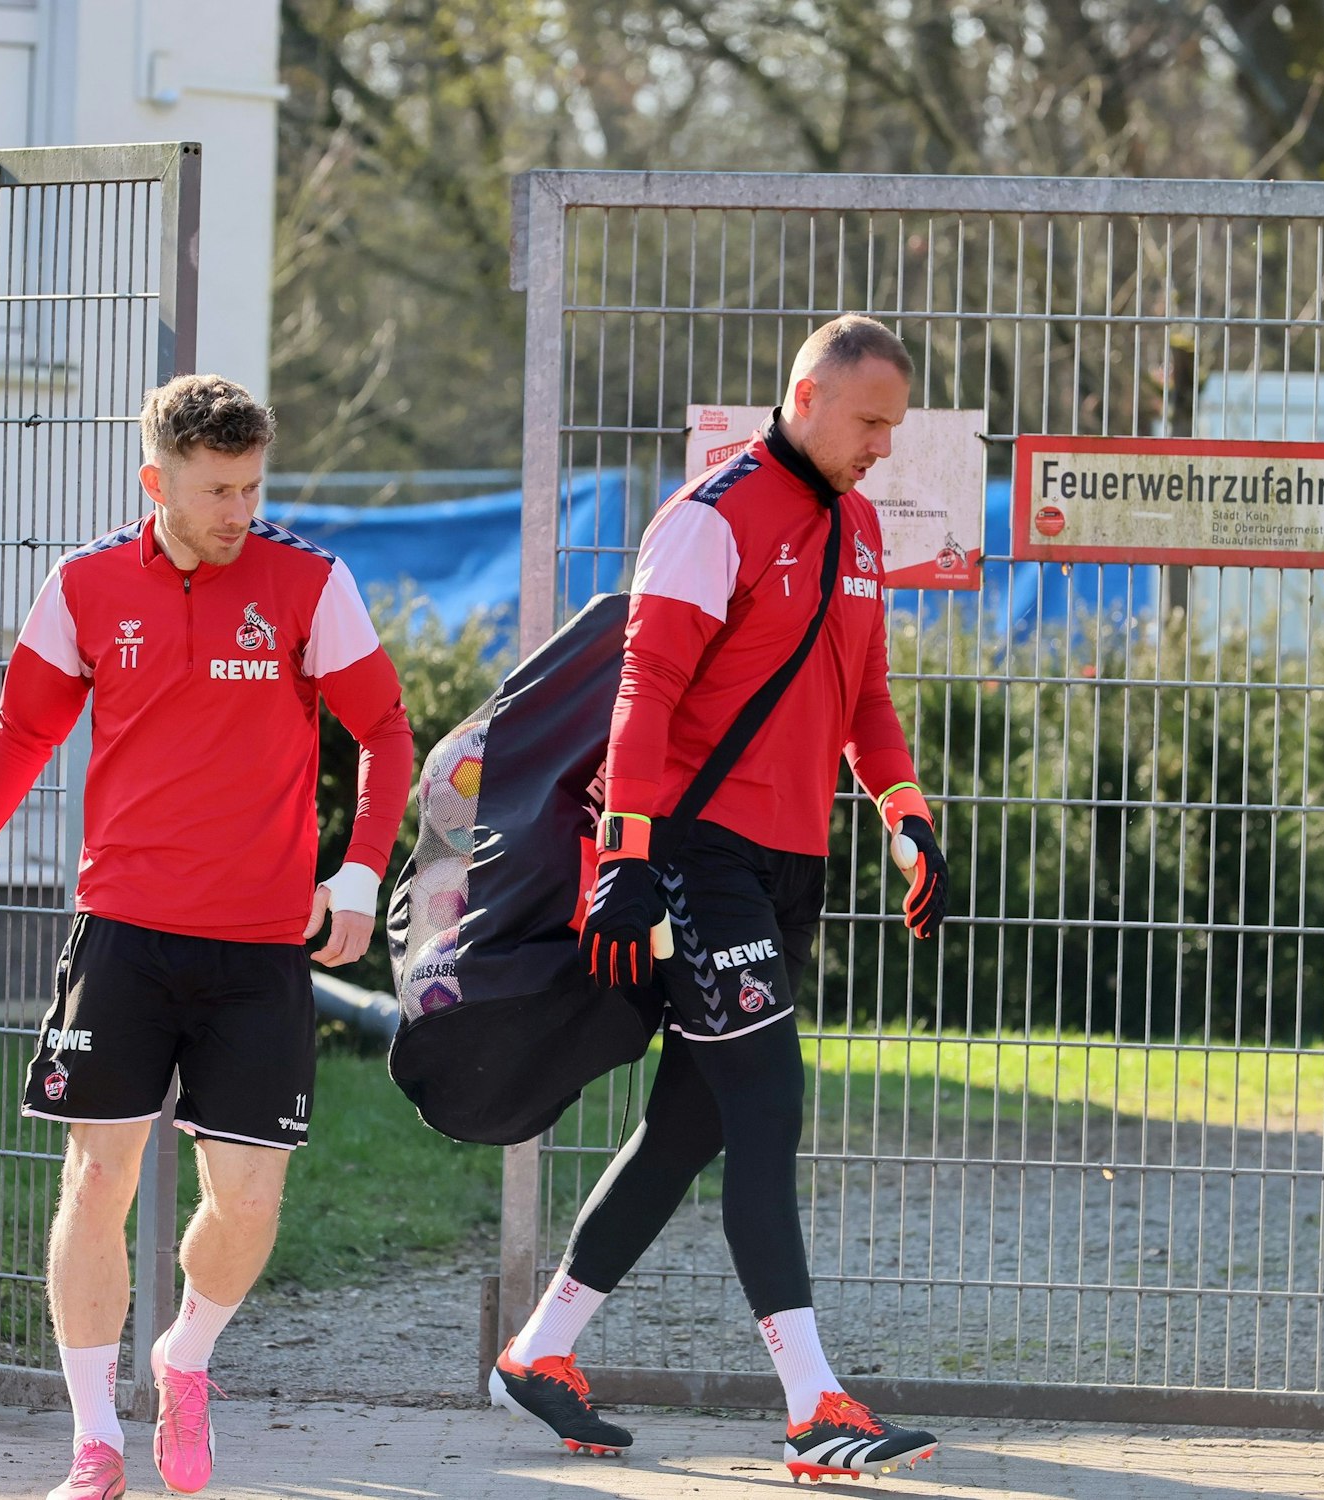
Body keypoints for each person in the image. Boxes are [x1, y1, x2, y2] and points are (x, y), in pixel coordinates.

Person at [0, 374, 414, 1500]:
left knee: (249, 1201)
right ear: (154, 481)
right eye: (216, 489)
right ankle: (93, 1442)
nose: (238, 509)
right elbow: (19, 737)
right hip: (120, 933)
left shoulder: (309, 582)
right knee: (96, 1180)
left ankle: (183, 1357)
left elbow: (382, 730)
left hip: (257, 947)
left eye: (252, 486)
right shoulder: (81, 586)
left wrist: (358, 874)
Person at [489, 315, 950, 1483]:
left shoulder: (854, 525)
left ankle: (538, 1354)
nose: (882, 448)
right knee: (765, 1105)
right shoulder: (708, 517)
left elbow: (866, 700)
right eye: (869, 422)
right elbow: (644, 692)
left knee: (688, 1123)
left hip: (789, 862)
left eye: (893, 425)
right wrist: (627, 849)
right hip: (698, 855)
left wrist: (906, 817)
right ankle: (812, 1405)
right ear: (804, 394)